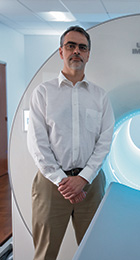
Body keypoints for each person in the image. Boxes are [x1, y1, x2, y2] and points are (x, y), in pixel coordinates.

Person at [27, 26, 115, 260]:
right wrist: (63, 181)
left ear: (88, 55)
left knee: (94, 252)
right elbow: (37, 142)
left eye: (82, 47)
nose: (77, 51)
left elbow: (105, 140)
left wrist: (84, 177)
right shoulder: (43, 93)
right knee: (45, 253)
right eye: (71, 46)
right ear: (61, 52)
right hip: (51, 185)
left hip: (91, 185)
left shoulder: (99, 96)